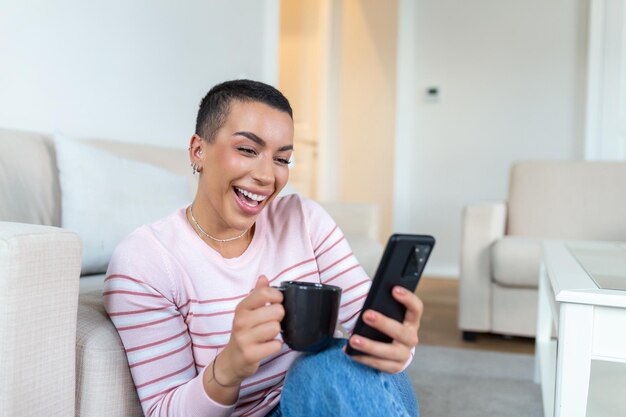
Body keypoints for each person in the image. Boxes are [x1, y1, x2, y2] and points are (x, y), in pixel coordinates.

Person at [103, 79, 423, 417]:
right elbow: (164, 411)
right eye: (247, 150)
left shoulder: (304, 220)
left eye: (282, 159)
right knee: (324, 369)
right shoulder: (147, 261)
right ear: (198, 150)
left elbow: (369, 330)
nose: (267, 176)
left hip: (335, 395)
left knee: (342, 363)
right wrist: (229, 367)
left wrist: (399, 344)